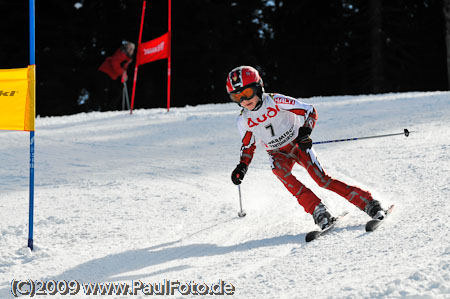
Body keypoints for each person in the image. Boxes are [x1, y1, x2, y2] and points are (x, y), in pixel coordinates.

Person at [227, 65, 386, 230]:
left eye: (247, 93)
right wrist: (242, 166)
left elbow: (309, 111)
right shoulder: (243, 120)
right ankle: (318, 211)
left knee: (322, 180)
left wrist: (305, 133)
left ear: (259, 87)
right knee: (278, 170)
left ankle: (369, 203)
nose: (244, 101)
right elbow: (247, 146)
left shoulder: (275, 101)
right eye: (237, 97)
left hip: (297, 144)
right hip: (276, 152)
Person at [93, 41, 135, 111]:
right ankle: (103, 109)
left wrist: (124, 75)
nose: (131, 50)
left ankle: (109, 109)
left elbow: (123, 69)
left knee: (116, 92)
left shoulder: (128, 58)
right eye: (130, 48)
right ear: (126, 48)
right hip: (105, 73)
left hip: (112, 76)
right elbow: (115, 64)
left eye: (133, 49)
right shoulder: (121, 53)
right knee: (104, 92)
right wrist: (122, 73)